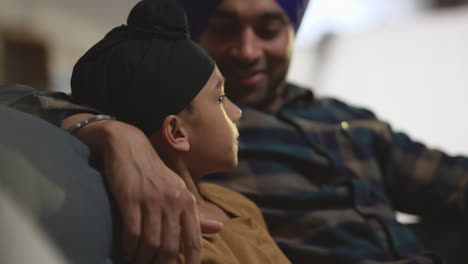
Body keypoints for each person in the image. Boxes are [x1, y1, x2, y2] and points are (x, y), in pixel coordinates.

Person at [2, 0, 468, 263]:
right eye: (224, 29)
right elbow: (15, 101)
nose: (246, 51)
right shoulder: (193, 128)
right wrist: (104, 129)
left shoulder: (353, 120)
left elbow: (452, 181)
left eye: (267, 29)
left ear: (291, 33)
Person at [67, 0, 291, 263]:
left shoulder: (234, 202)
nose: (237, 111)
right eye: (220, 98)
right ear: (176, 132)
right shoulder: (179, 242)